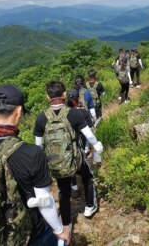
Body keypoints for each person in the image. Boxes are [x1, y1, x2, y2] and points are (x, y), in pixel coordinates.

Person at [0, 84, 69, 246]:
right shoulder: (31, 153)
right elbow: (45, 201)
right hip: (31, 236)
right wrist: (59, 230)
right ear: (19, 111)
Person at [34, 81, 103, 231]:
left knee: (63, 191)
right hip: (76, 159)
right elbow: (89, 135)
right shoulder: (74, 113)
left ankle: (66, 223)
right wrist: (97, 146)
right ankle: (89, 207)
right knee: (87, 177)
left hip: (56, 163)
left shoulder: (41, 118)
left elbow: (38, 146)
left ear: (47, 97)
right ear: (64, 94)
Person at [66, 88, 102, 199]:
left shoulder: (64, 115)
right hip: (81, 145)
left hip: (68, 147)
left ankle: (75, 188)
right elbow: (90, 132)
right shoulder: (83, 113)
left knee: (71, 167)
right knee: (85, 169)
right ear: (78, 98)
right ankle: (90, 199)